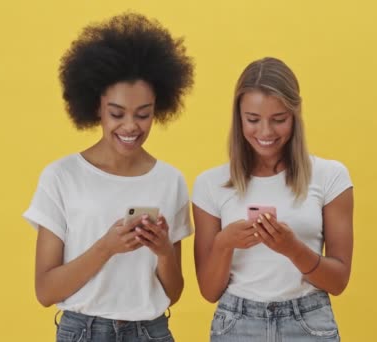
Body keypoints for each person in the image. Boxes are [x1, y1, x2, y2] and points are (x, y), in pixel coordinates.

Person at [23, 13, 194, 342]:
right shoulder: (61, 177)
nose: (131, 126)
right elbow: (45, 291)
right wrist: (106, 247)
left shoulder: (170, 181)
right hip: (82, 331)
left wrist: (163, 252)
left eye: (143, 114)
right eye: (117, 113)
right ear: (96, 108)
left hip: (151, 332)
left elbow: (173, 293)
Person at [192, 57, 353, 341]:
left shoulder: (330, 177)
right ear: (238, 116)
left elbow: (338, 281)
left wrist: (292, 249)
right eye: (253, 120)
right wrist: (225, 243)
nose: (265, 132)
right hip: (237, 324)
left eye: (278, 120)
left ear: (295, 115)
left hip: (309, 323)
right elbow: (209, 291)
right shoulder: (210, 185)